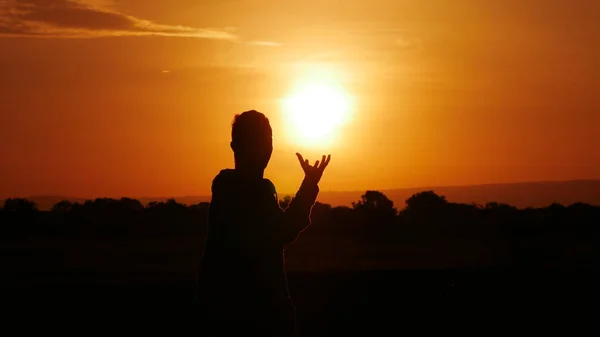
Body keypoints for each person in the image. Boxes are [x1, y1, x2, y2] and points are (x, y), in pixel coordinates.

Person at [196, 110, 331, 336]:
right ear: (235, 146)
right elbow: (283, 230)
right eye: (259, 141)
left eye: (268, 141)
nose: (265, 148)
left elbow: (280, 229)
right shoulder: (241, 190)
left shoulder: (237, 187)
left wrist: (309, 184)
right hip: (252, 317)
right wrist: (309, 186)